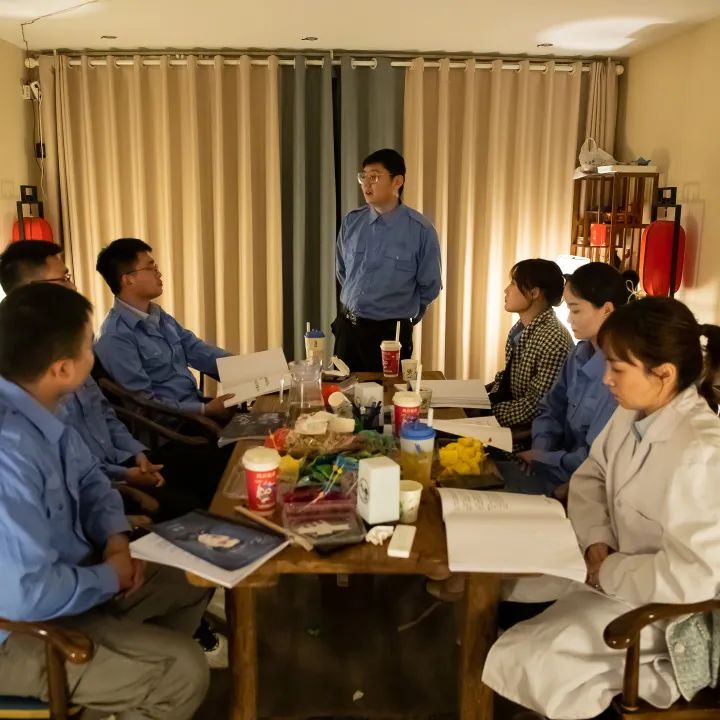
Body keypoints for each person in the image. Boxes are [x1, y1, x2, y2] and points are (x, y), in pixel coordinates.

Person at [482, 296, 720, 720]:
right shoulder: (635, 413)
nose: (606, 379)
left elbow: (693, 579)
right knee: (500, 583)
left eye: (618, 368)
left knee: (538, 655)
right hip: (605, 566)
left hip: (664, 612)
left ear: (664, 374)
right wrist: (597, 540)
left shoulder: (702, 453)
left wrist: (607, 569)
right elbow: (591, 477)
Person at [0, 282, 212, 718]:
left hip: (74, 581)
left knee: (196, 574)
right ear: (63, 368)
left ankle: (124, 690)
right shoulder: (10, 450)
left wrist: (116, 542)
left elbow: (92, 480)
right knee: (182, 672)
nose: (94, 354)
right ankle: (141, 685)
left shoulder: (46, 410)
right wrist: (109, 577)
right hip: (18, 630)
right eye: (88, 345)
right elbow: (26, 596)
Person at [499, 263, 632, 496]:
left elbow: (595, 456)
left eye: (576, 310)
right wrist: (540, 453)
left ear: (607, 310)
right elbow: (550, 409)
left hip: (580, 483)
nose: (569, 319)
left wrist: (546, 459)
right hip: (548, 468)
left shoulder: (618, 376)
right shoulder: (579, 354)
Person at [95, 237, 234, 422]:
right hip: (173, 428)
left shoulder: (157, 314)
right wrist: (204, 410)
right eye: (151, 268)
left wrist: (245, 366)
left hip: (196, 408)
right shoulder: (115, 337)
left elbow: (196, 349)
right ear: (129, 279)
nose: (159, 273)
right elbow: (144, 403)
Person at [333, 148, 442, 372]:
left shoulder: (421, 230)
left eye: (374, 176)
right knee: (341, 391)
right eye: (363, 176)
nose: (366, 183)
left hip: (390, 335)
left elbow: (430, 287)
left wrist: (402, 319)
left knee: (388, 392)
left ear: (397, 182)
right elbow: (343, 272)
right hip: (348, 329)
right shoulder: (352, 222)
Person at [488, 259, 574, 447]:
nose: (506, 290)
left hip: (528, 441)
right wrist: (482, 400)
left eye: (513, 284)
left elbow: (534, 407)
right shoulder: (521, 329)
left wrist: (487, 411)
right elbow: (508, 378)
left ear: (534, 293)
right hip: (509, 425)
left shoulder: (553, 340)